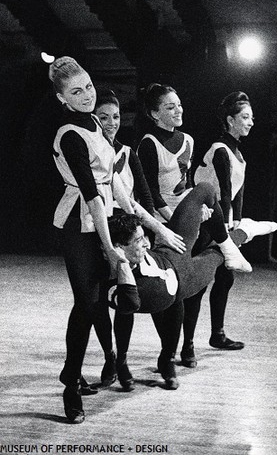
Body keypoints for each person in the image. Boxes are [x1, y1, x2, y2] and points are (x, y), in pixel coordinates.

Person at [50, 57, 185, 424]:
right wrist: (110, 247)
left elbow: (120, 194)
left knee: (115, 298)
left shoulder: (96, 126)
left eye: (88, 87)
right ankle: (71, 386)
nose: (86, 95)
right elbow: (92, 195)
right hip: (79, 224)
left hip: (107, 218)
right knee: (86, 304)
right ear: (62, 98)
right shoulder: (70, 134)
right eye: (75, 91)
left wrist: (156, 228)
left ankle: (113, 363)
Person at [107, 182, 274, 391]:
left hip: (172, 247)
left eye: (143, 239)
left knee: (206, 189)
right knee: (213, 257)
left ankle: (167, 359)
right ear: (119, 248)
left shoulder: (143, 246)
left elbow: (134, 205)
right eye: (140, 241)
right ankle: (246, 230)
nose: (145, 244)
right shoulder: (120, 279)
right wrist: (122, 263)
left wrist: (160, 229)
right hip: (185, 277)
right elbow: (129, 305)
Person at [181, 92, 277, 366]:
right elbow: (222, 193)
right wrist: (226, 233)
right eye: (245, 117)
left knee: (226, 279)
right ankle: (187, 346)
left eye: (251, 117)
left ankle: (218, 334)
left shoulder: (238, 153)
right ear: (230, 120)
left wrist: (239, 222)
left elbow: (237, 194)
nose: (251, 123)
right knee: (199, 285)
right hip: (206, 225)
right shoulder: (220, 149)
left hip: (224, 223)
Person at [137, 83, 194, 223]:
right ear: (155, 114)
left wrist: (196, 209)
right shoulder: (149, 143)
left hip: (185, 211)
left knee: (206, 191)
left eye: (179, 105)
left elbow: (189, 182)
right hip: (162, 218)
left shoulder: (188, 140)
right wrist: (173, 221)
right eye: (170, 107)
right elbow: (150, 191)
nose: (178, 110)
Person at [94, 89, 154, 216]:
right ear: (93, 119)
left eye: (116, 117)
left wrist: (151, 233)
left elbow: (145, 196)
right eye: (104, 118)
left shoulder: (127, 153)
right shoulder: (89, 154)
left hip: (127, 223)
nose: (112, 123)